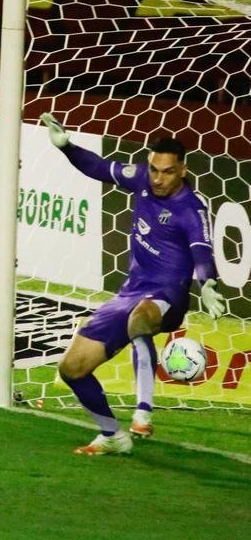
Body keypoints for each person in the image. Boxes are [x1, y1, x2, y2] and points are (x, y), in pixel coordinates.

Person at [40, 114, 226, 454]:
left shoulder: (191, 208)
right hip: (130, 292)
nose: (158, 178)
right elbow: (99, 167)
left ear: (182, 170)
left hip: (168, 296)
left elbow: (202, 249)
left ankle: (143, 412)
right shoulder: (140, 179)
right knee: (72, 368)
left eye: (167, 171)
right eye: (154, 169)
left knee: (140, 318)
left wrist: (208, 283)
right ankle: (113, 435)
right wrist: (67, 147)